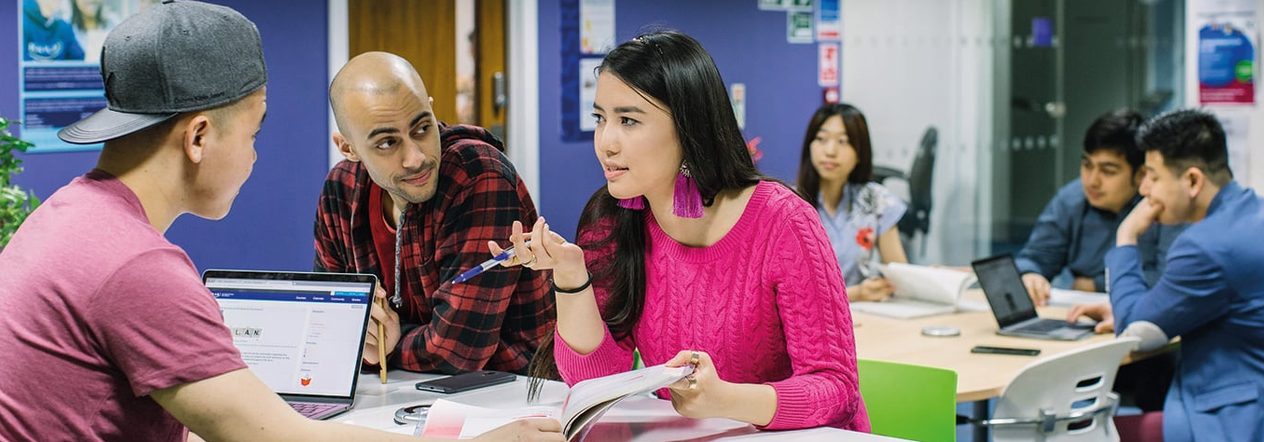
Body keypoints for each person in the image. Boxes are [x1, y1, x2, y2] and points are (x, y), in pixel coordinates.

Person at [0, 3, 559, 441]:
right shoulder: (136, 267)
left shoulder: (64, 219)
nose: (254, 157)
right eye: (254, 133)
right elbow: (277, 436)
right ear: (198, 138)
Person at [491, 31, 869, 432]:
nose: (606, 142)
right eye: (600, 118)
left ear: (689, 128)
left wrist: (725, 400)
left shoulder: (784, 221)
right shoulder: (613, 219)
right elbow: (594, 383)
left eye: (629, 120)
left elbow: (836, 388)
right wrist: (571, 277)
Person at [1069, 109, 1264, 441]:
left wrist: (1126, 237)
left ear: (1192, 181)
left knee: (1076, 435)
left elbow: (1135, 331)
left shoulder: (1208, 244)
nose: (1144, 189)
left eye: (1153, 175)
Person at [315, 51, 554, 375]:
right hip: (391, 395)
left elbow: (457, 352)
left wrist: (388, 344)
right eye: (387, 143)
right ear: (348, 148)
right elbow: (328, 322)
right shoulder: (340, 189)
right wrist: (359, 340)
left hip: (508, 394)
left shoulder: (477, 175)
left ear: (430, 107)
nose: (415, 158)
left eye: (422, 128)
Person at [1016, 109, 1183, 306]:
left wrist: (1096, 284)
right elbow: (1035, 257)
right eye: (1087, 165)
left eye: (1108, 171)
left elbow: (1170, 282)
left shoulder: (1164, 206)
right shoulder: (1072, 199)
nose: (1092, 181)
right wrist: (1030, 275)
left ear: (1141, 174)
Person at [796, 103, 909, 302]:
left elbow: (900, 279)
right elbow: (789, 296)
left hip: (865, 320)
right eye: (821, 139)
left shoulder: (876, 200)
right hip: (809, 325)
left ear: (859, 152)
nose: (830, 151)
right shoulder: (790, 206)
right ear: (809, 146)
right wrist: (855, 294)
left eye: (843, 141)